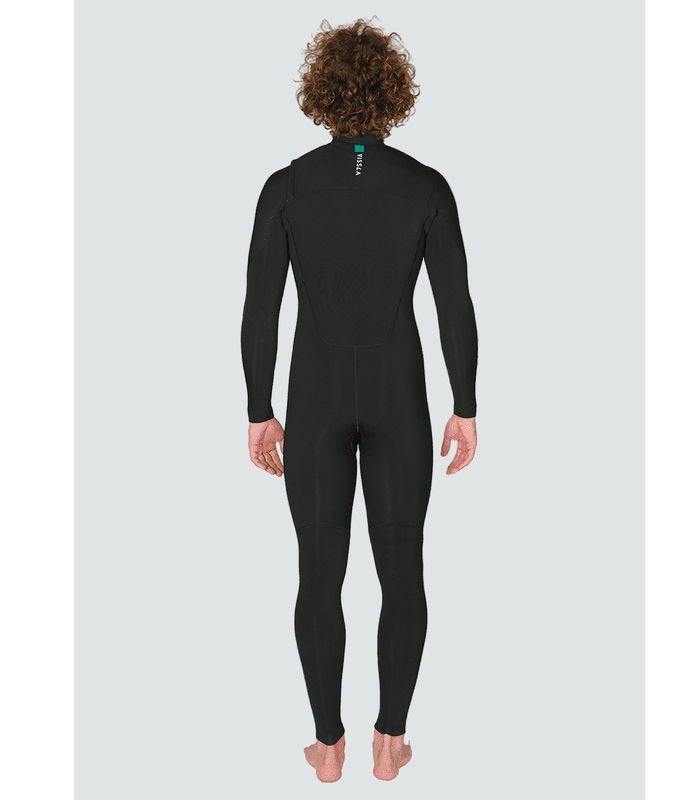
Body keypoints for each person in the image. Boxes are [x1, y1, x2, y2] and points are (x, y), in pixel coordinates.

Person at [240, 17, 478, 782]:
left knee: (319, 570)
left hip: (312, 396)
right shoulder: (425, 187)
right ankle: (390, 740)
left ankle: (328, 746)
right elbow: (454, 305)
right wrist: (465, 404)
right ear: (394, 92)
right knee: (402, 566)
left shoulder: (287, 187)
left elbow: (260, 310)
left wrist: (258, 408)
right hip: (398, 394)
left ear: (321, 91)